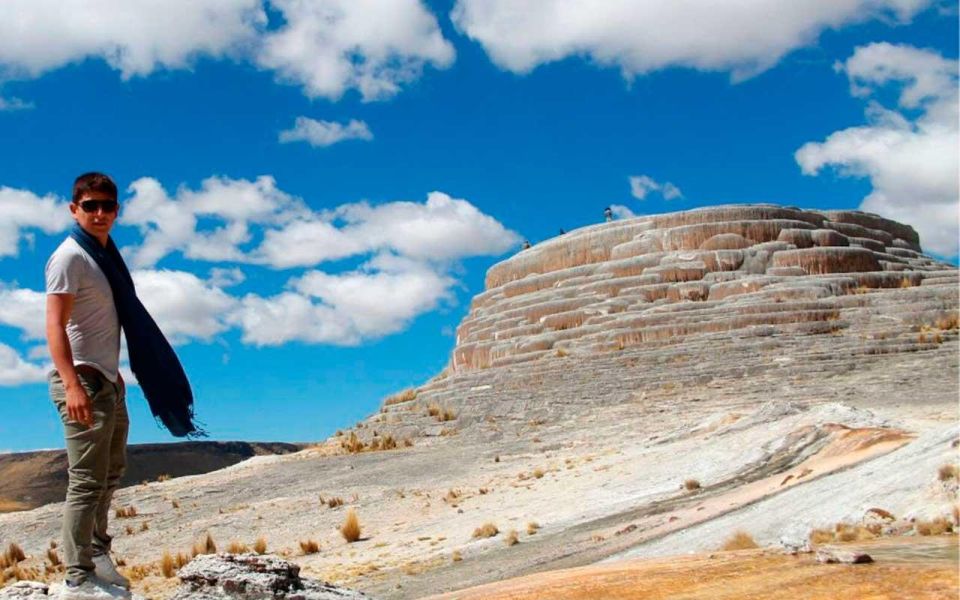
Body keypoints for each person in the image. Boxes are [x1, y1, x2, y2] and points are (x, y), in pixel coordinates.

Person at [46, 172, 131, 598]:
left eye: (107, 206)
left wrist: (114, 376)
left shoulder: (105, 256)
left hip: (107, 382)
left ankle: (97, 552)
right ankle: (77, 577)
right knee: (84, 481)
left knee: (111, 472)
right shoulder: (70, 257)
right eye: (90, 206)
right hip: (82, 382)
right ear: (74, 209)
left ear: (117, 210)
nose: (99, 213)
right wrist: (72, 384)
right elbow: (55, 325)